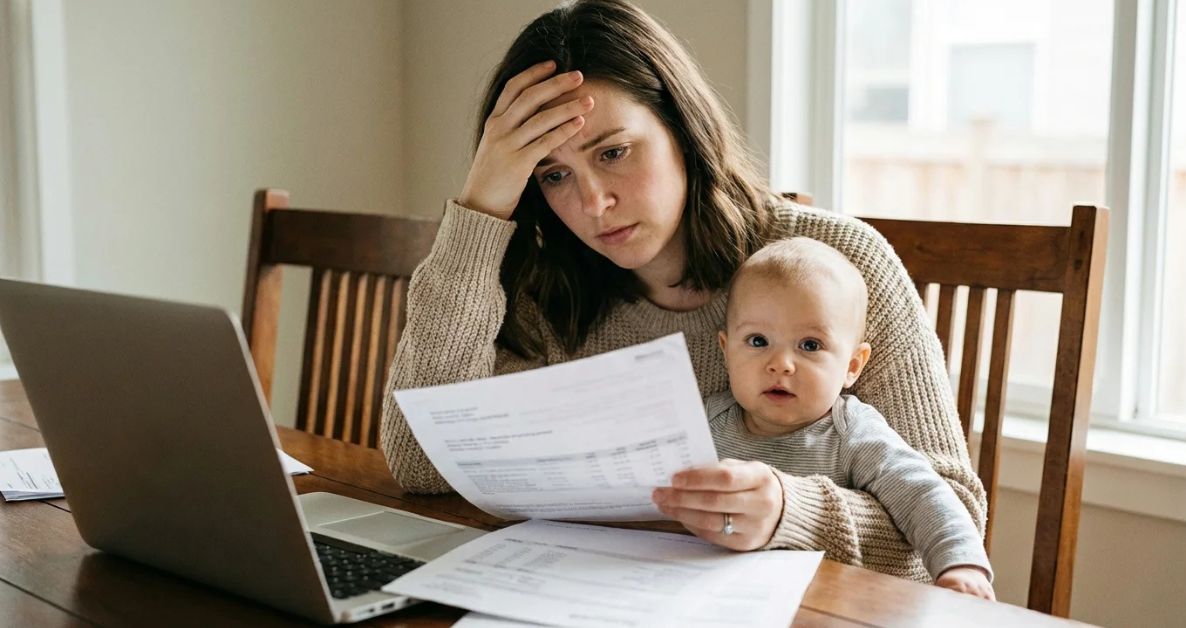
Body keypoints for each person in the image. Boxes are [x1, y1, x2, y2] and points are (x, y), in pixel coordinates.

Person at [380, 0, 987, 583]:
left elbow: (957, 513)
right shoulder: (547, 287)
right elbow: (417, 463)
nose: (593, 203)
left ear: (682, 129)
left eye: (614, 152)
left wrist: (789, 512)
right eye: (554, 174)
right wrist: (481, 207)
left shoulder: (836, 264)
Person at [657, 237, 993, 598]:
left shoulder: (853, 433)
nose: (780, 364)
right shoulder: (707, 421)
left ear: (851, 367)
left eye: (810, 345)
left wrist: (962, 565)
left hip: (826, 602)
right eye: (757, 341)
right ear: (726, 351)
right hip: (716, 595)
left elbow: (922, 494)